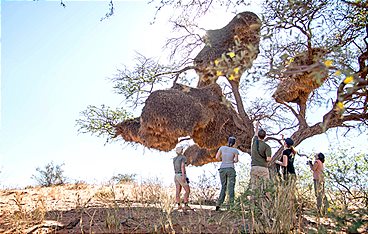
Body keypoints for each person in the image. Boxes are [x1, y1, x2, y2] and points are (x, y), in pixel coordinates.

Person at [215, 136, 239, 211]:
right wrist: (231, 160)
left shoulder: (222, 148)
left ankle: (219, 204)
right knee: (231, 187)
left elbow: (217, 157)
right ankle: (231, 205)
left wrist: (223, 160)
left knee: (223, 186)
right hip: (230, 168)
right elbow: (236, 160)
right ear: (234, 143)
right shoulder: (235, 150)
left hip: (222, 168)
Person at [250, 121, 272, 191]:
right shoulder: (267, 147)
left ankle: (253, 201)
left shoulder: (254, 142)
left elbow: (255, 133)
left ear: (258, 135)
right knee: (265, 187)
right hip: (263, 168)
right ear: (265, 136)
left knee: (254, 187)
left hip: (254, 167)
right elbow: (268, 159)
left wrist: (256, 126)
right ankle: (264, 201)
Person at [173, 146, 191, 210]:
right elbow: (183, 166)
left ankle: (178, 205)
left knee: (178, 191)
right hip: (181, 175)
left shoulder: (174, 159)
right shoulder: (183, 158)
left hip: (176, 175)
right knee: (187, 190)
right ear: (182, 151)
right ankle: (186, 204)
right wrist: (183, 176)